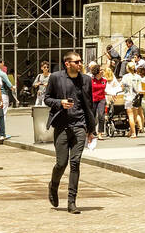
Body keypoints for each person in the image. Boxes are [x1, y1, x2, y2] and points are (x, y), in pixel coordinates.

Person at [43, 51, 95, 215]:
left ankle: (72, 202)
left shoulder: (86, 80)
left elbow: (90, 105)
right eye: (77, 62)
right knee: (61, 163)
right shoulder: (56, 78)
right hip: (62, 126)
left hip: (80, 126)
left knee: (75, 163)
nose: (80, 64)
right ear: (67, 63)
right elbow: (47, 98)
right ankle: (53, 185)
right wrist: (60, 103)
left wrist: (91, 129)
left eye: (80, 61)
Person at [88, 62, 106, 135]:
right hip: (93, 99)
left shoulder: (104, 80)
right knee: (92, 116)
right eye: (101, 70)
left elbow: (107, 89)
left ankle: (100, 133)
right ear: (97, 71)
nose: (102, 71)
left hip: (101, 99)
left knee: (101, 116)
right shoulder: (91, 80)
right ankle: (92, 131)